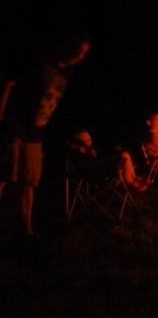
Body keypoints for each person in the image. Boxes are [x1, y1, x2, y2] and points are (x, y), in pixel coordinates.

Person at [0, 33, 91, 235]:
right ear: (68, 45)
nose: (79, 55)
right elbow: (9, 84)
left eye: (84, 53)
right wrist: (3, 118)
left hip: (35, 134)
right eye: (78, 49)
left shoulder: (67, 74)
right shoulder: (42, 63)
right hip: (16, 128)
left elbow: (56, 103)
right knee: (3, 176)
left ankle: (27, 229)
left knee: (29, 182)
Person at [69, 129, 148, 192]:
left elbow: (102, 157)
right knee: (124, 157)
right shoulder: (79, 156)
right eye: (85, 140)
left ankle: (133, 179)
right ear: (78, 143)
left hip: (106, 168)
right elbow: (92, 167)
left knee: (125, 154)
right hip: (98, 175)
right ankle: (131, 182)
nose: (89, 142)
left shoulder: (91, 149)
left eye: (89, 139)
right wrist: (87, 153)